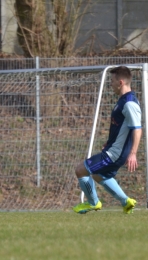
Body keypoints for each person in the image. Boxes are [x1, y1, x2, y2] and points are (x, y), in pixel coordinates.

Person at [73, 66, 142, 214]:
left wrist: (133, 153)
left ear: (121, 82)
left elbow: (137, 128)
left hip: (115, 154)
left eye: (112, 81)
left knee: (80, 170)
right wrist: (110, 141)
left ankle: (93, 203)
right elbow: (123, 128)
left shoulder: (129, 103)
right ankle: (126, 201)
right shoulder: (124, 100)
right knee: (99, 175)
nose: (110, 84)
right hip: (114, 150)